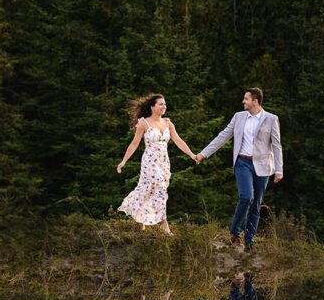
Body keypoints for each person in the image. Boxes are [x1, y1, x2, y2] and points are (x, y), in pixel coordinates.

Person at [194, 87, 283, 250]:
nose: (243, 101)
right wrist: (203, 154)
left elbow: (276, 145)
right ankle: (235, 233)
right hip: (243, 163)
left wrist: (279, 169)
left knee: (256, 204)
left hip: (262, 165)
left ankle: (249, 241)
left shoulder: (271, 119)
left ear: (255, 101)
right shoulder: (239, 117)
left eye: (246, 99)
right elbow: (223, 136)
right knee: (246, 197)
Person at [117, 93, 196, 234]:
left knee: (146, 190)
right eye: (161, 104)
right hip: (149, 162)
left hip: (164, 162)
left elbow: (178, 140)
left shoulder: (168, 123)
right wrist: (124, 161)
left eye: (165, 104)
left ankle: (140, 219)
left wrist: (191, 154)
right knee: (160, 187)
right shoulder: (144, 123)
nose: (164, 106)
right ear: (152, 107)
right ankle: (163, 223)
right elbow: (134, 144)